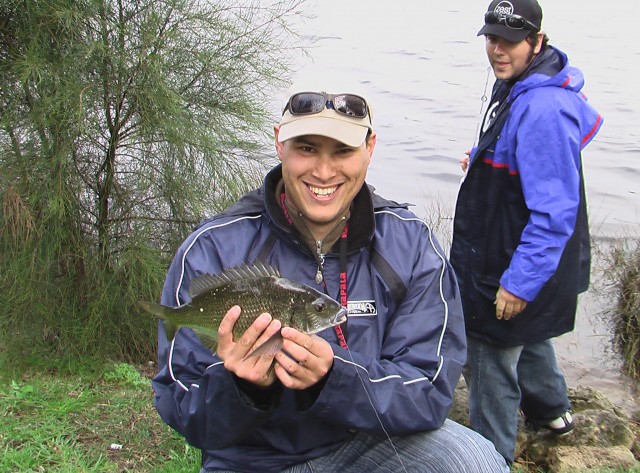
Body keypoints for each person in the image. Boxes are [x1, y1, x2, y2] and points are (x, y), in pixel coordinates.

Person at [152, 76, 509, 473]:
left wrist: (334, 378)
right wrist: (242, 387)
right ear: (279, 144)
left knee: (477, 462)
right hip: (250, 458)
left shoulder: (410, 244)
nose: (324, 171)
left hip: (367, 444)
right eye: (307, 149)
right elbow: (181, 404)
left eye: (342, 150)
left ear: (369, 149)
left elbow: (429, 387)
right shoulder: (212, 247)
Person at [450, 0, 604, 465]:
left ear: (536, 42)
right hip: (525, 253)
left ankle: (489, 455)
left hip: (514, 258)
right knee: (531, 334)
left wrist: (517, 282)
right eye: (492, 39)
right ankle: (552, 413)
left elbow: (553, 214)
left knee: (491, 353)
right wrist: (485, 155)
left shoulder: (544, 108)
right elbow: (531, 156)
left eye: (510, 41)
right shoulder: (524, 85)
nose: (498, 50)